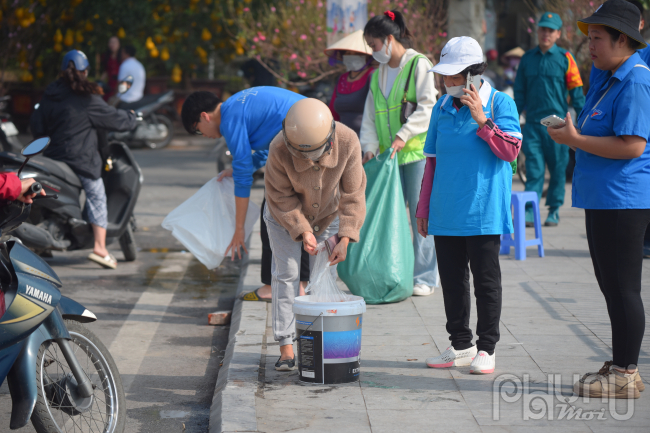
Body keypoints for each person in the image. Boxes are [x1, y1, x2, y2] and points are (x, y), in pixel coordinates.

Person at [546, 0, 650, 399]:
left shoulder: (636, 79)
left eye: (599, 38)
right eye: (590, 37)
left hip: (625, 199)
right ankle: (623, 364)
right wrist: (572, 133)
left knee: (624, 287)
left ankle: (626, 371)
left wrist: (575, 140)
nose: (590, 45)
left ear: (623, 39)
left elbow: (633, 146)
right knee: (610, 285)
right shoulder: (605, 74)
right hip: (603, 197)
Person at [416, 37, 522, 374]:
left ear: (472, 76)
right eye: (444, 76)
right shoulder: (441, 108)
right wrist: (423, 207)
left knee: (486, 282)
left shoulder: (501, 104)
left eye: (451, 76)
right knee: (451, 280)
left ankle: (487, 348)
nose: (445, 82)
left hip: (484, 211)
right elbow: (430, 162)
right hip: (446, 210)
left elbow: (510, 153)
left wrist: (482, 120)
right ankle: (461, 345)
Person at [264, 98, 366, 370]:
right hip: (284, 216)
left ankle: (323, 342)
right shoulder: (278, 148)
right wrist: (302, 229)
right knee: (287, 273)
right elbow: (281, 198)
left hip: (329, 215)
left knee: (324, 274)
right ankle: (286, 346)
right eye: (302, 155)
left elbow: (353, 195)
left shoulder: (348, 141)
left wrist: (345, 238)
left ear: (330, 138)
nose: (309, 161)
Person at [180, 88, 310, 302]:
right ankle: (299, 284)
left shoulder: (229, 119)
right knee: (295, 214)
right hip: (313, 130)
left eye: (198, 130)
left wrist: (238, 229)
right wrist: (244, 168)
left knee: (272, 215)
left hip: (303, 140)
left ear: (204, 116)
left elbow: (242, 180)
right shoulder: (236, 105)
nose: (203, 135)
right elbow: (269, 147)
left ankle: (278, 287)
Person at [30, 50, 137, 269]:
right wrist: (132, 117)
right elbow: (114, 119)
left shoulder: (50, 93)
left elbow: (37, 126)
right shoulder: (87, 98)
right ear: (85, 71)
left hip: (52, 157)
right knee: (97, 194)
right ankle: (100, 247)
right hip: (80, 159)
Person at [359, 10, 439, 297]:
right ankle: (398, 270)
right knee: (390, 216)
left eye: (374, 45)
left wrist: (403, 136)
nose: (372, 51)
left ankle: (426, 277)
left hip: (416, 154)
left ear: (389, 39)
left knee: (421, 216)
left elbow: (428, 108)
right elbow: (370, 117)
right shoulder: (376, 75)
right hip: (388, 158)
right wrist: (368, 148)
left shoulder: (419, 65)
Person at [514, 12, 585, 227]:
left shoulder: (566, 58)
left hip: (558, 126)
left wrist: (583, 122)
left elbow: (577, 93)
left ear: (558, 34)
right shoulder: (526, 59)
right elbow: (519, 93)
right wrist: (512, 121)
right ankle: (530, 210)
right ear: (537, 31)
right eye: (543, 29)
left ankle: (554, 210)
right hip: (533, 126)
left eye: (551, 30)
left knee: (557, 169)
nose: (546, 33)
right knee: (534, 170)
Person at [325, 29, 375, 137]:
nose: (351, 56)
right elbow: (332, 113)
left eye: (356, 53)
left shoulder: (373, 76)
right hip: (342, 141)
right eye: (348, 53)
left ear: (366, 56)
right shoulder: (342, 79)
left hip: (367, 143)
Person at [100, 36, 122, 101]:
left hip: (119, 85)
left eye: (114, 43)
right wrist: (99, 82)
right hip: (109, 85)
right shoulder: (106, 56)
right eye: (110, 42)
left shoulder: (122, 57)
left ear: (119, 44)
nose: (112, 44)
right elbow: (106, 71)